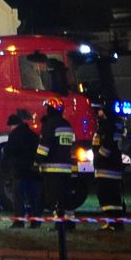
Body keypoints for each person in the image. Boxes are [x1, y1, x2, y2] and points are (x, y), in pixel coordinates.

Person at [34, 96, 77, 229]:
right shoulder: (67, 125)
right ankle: (69, 222)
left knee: (54, 197)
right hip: (67, 168)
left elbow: (44, 147)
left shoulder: (49, 125)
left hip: (52, 169)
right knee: (66, 196)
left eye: (48, 108)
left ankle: (60, 226)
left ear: (51, 109)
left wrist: (37, 161)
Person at [3, 111, 42, 227]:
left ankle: (19, 221)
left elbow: (9, 151)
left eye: (10, 126)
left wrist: (4, 166)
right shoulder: (33, 135)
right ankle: (35, 222)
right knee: (34, 198)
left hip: (20, 172)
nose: (10, 128)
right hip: (33, 172)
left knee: (18, 198)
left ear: (13, 125)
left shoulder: (14, 135)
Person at [92, 105, 125, 231]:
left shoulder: (107, 127)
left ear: (105, 113)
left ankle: (112, 222)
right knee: (114, 197)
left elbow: (107, 147)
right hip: (113, 168)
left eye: (100, 111)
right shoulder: (114, 126)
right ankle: (115, 223)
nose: (98, 113)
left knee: (105, 195)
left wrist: (98, 159)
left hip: (106, 168)